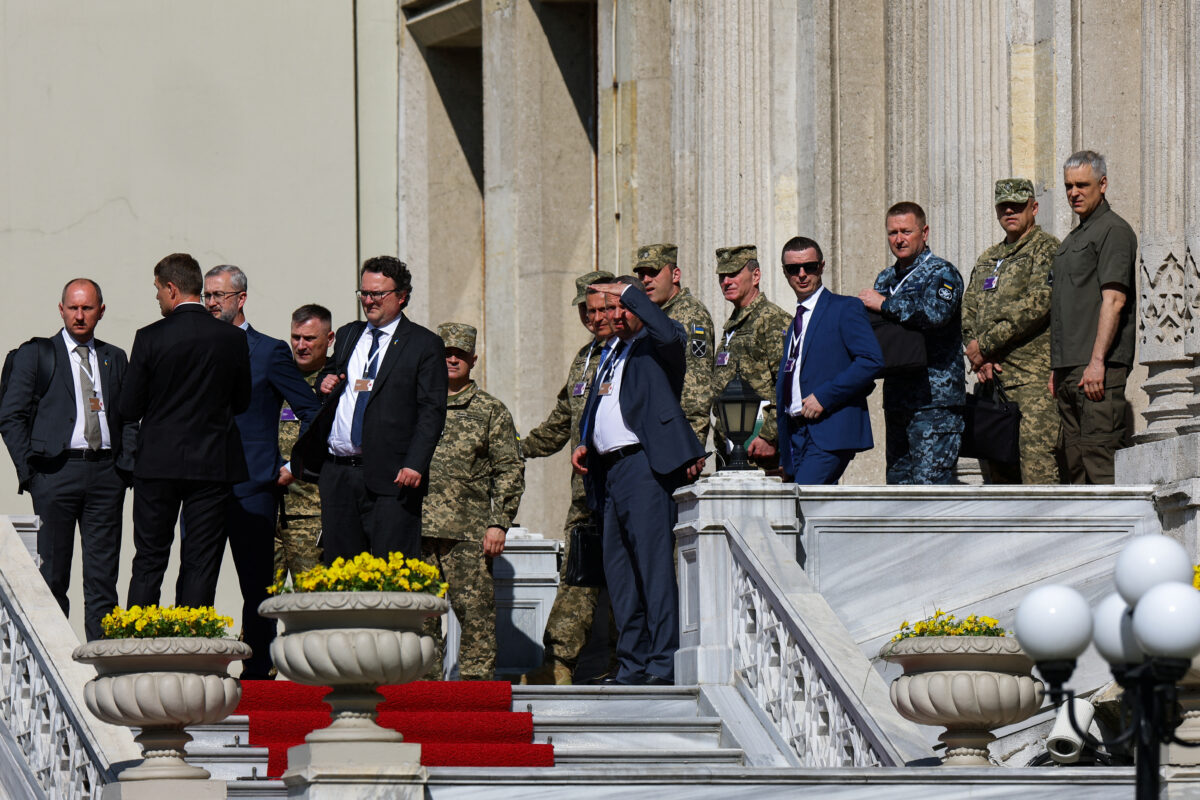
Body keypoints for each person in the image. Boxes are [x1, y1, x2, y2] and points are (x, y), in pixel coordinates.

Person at [571, 277, 705, 686]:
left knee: (652, 567)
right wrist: (586, 441)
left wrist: (627, 291)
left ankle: (663, 663)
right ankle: (631, 663)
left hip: (644, 466)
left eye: (618, 307)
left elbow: (667, 331)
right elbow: (603, 405)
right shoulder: (610, 352)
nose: (612, 316)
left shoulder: (657, 344)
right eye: (605, 309)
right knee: (620, 572)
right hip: (608, 472)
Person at [201, 265, 320, 679]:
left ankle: (258, 671)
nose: (211, 302)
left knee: (256, 584)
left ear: (241, 299)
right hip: (201, 486)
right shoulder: (195, 346)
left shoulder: (269, 352)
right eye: (207, 295)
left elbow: (311, 411)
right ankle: (198, 666)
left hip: (252, 486)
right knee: (198, 580)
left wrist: (292, 465)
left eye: (219, 295)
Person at [0, 279, 136, 641]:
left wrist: (125, 467)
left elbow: (129, 417)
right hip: (54, 473)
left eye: (87, 308)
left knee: (103, 579)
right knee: (53, 577)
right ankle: (59, 658)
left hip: (106, 475)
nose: (79, 315)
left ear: (101, 311)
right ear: (61, 309)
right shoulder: (37, 355)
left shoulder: (114, 357)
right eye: (73, 308)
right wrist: (31, 473)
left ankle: (102, 661)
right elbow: (10, 416)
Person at [121, 253, 251, 609]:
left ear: (172, 289)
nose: (157, 297)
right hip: (211, 464)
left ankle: (139, 635)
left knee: (149, 558)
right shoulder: (232, 339)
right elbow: (242, 401)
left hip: (157, 464)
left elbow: (129, 407)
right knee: (200, 561)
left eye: (158, 289)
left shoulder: (149, 337)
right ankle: (194, 636)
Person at [298, 256, 447, 562]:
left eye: (377, 294)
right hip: (338, 474)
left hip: (392, 477)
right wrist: (325, 382)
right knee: (341, 573)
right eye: (364, 293)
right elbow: (333, 375)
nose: (368, 301)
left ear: (401, 296)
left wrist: (415, 464)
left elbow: (431, 411)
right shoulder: (349, 334)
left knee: (390, 572)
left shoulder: (423, 344)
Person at [522, 270, 615, 685]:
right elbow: (562, 421)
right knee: (577, 572)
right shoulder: (584, 357)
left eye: (601, 310)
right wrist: (515, 447)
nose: (593, 318)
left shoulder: (633, 351)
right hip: (585, 491)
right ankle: (560, 661)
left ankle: (627, 660)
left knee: (627, 574)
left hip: (623, 484)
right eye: (586, 311)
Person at [421, 323, 524, 681]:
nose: (452, 359)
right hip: (419, 531)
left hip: (468, 532)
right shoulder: (417, 404)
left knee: (476, 617)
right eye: (446, 353)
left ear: (473, 359)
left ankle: (476, 696)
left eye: (460, 354)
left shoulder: (490, 410)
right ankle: (422, 696)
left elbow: (510, 469)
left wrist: (499, 522)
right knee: (421, 620)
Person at [962, 178, 1061, 484]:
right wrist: (978, 355)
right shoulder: (989, 258)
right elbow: (968, 310)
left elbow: (1038, 303)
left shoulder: (1046, 249)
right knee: (997, 479)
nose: (1009, 212)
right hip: (992, 384)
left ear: (1034, 208)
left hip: (1032, 384)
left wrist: (986, 345)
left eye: (1017, 206)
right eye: (1004, 207)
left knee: (1037, 472)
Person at [859, 202, 965, 484]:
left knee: (931, 490)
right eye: (892, 232)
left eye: (906, 231)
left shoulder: (941, 273)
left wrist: (885, 304)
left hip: (934, 402)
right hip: (898, 399)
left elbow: (935, 314)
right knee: (898, 489)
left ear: (924, 232)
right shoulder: (886, 278)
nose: (899, 239)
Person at [1050, 151, 1138, 484]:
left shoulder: (1113, 230)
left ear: (1102, 184)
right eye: (1068, 186)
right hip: (1069, 371)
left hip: (1097, 370)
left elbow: (1114, 301)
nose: (1074, 192)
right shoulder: (1073, 239)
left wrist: (1098, 361)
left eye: (1082, 185)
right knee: (1075, 473)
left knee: (1101, 468)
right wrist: (1057, 369)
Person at [775, 238, 883, 484]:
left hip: (828, 431)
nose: (802, 274)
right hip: (794, 435)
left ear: (822, 266)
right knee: (803, 505)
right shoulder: (796, 321)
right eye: (794, 269)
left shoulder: (844, 308)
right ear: (785, 272)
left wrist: (825, 396)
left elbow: (871, 361)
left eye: (810, 266)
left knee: (802, 499)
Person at [711, 245, 792, 469]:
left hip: (761, 452)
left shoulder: (771, 319)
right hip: (731, 451)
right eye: (722, 276)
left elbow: (787, 383)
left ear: (756, 276)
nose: (726, 282)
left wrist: (769, 436)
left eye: (733, 274)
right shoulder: (734, 325)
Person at [633, 243, 714, 447]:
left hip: (675, 439)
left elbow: (697, 383)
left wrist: (691, 445)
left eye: (654, 272)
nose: (646, 280)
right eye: (641, 274)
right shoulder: (653, 315)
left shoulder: (689, 313)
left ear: (675, 275)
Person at [275, 304, 335, 581]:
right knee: (260, 599)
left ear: (329, 339)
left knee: (314, 598)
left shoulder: (338, 383)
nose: (300, 345)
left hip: (311, 513)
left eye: (309, 338)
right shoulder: (277, 377)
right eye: (295, 337)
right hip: (269, 508)